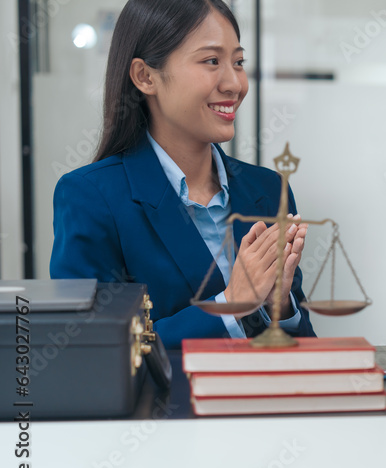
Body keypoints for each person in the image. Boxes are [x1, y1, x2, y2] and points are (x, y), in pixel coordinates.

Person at [50, 0, 315, 349]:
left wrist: (278, 305)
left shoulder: (267, 188)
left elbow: (304, 346)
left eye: (238, 62)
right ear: (146, 77)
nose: (235, 84)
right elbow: (90, 351)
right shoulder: (91, 198)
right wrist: (232, 304)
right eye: (211, 61)